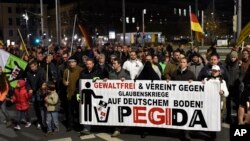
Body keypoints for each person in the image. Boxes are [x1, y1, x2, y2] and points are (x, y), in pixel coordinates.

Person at [170, 57, 196, 141]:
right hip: (177, 97)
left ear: (187, 64)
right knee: (179, 114)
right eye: (181, 62)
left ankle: (187, 133)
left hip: (187, 98)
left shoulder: (190, 74)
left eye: (184, 62)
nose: (182, 63)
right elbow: (171, 83)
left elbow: (197, 86)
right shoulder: (175, 73)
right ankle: (181, 131)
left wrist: (193, 82)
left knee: (187, 115)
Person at [203, 65, 229, 140]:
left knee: (216, 120)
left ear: (219, 72)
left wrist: (222, 92)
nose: (214, 72)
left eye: (216, 71)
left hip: (218, 104)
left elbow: (227, 93)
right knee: (209, 119)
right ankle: (211, 133)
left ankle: (213, 135)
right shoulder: (206, 80)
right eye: (213, 70)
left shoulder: (222, 81)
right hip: (208, 104)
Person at [108, 58, 131, 137]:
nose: (113, 65)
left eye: (114, 63)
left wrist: (126, 80)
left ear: (119, 64)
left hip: (124, 96)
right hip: (114, 97)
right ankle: (117, 129)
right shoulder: (111, 73)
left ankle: (125, 126)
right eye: (112, 63)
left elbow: (131, 83)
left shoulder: (126, 72)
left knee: (124, 112)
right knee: (115, 112)